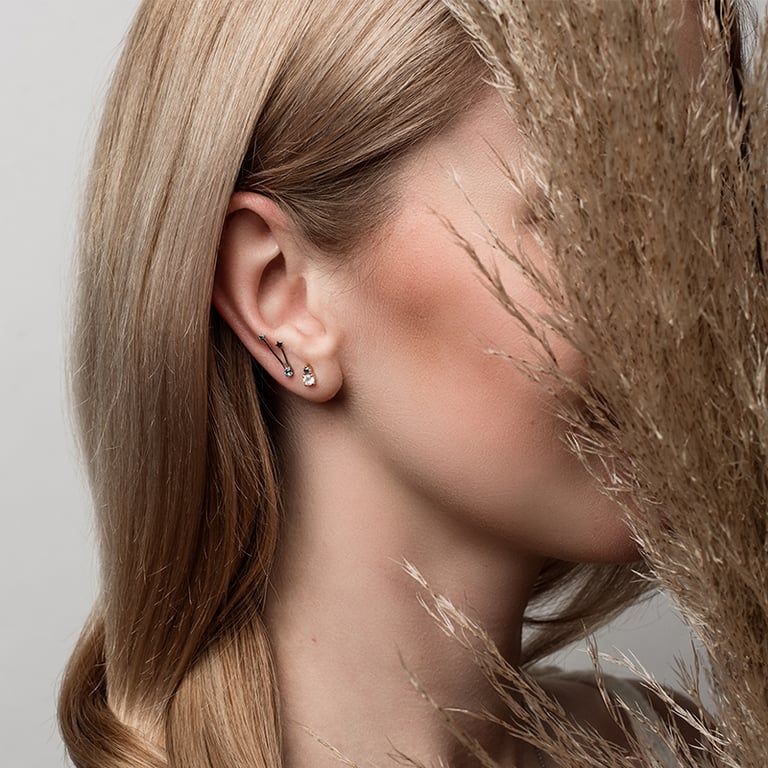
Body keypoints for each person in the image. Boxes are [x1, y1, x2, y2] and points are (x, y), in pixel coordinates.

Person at [58, 1, 742, 767]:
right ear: (281, 296)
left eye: (717, 213)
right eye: (600, 216)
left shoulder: (675, 747)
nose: (700, 307)